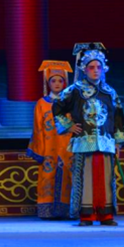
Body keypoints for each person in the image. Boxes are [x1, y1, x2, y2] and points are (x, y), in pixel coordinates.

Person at [53, 43, 124, 226]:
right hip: (83, 141)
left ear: (103, 69)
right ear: (84, 70)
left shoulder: (109, 92)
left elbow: (118, 117)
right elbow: (57, 107)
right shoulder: (75, 90)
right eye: (91, 67)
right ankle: (86, 215)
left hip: (106, 141)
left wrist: (118, 141)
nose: (95, 70)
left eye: (98, 67)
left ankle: (105, 215)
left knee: (106, 178)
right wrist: (69, 126)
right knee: (84, 178)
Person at [27, 60, 74, 219]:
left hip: (67, 147)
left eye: (60, 81)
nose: (57, 84)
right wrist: (39, 150)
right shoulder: (42, 104)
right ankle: (47, 210)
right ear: (48, 83)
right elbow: (37, 128)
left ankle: (68, 209)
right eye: (53, 81)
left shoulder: (70, 103)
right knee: (48, 176)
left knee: (68, 175)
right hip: (48, 147)